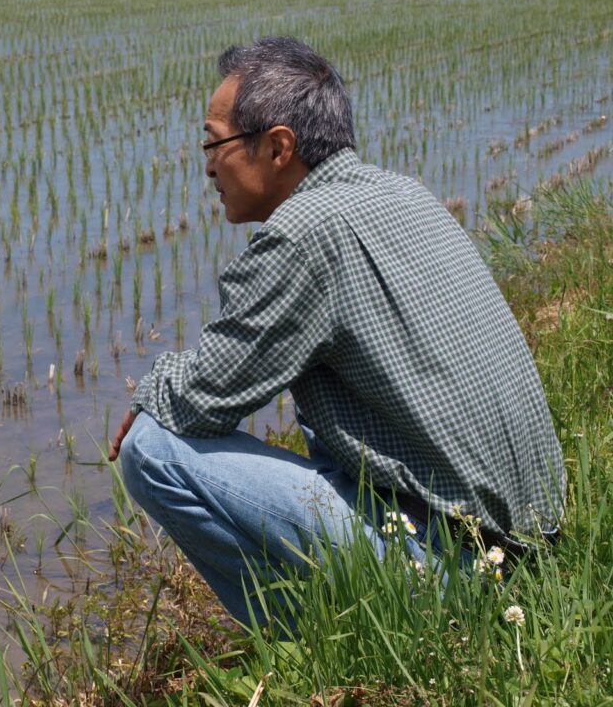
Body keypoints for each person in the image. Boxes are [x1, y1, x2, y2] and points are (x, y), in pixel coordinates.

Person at [109, 37, 565, 624]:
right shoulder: (403, 191)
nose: (207, 164)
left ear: (277, 147)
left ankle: (313, 637)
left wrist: (150, 390)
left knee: (152, 449)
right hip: (529, 549)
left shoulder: (304, 231)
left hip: (456, 567)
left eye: (213, 142)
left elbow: (201, 401)